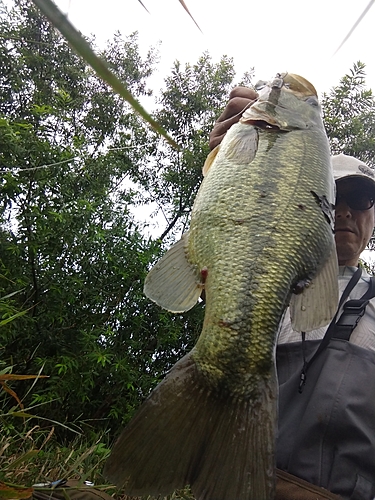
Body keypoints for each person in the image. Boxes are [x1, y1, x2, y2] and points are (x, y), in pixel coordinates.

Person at [210, 87, 375, 500]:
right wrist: (228, 171)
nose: (345, 211)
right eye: (335, 195)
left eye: (361, 198)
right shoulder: (270, 278)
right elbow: (215, 273)